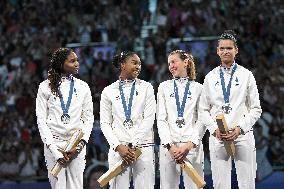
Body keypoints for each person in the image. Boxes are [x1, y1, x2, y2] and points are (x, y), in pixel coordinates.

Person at [199, 30, 262, 189]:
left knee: (247, 184)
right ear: (217, 51)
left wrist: (240, 129)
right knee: (220, 185)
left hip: (242, 135)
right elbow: (203, 110)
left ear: (236, 50)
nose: (225, 51)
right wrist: (214, 130)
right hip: (218, 137)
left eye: (229, 48)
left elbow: (256, 109)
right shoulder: (210, 77)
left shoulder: (246, 75)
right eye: (222, 48)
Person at [36, 48, 94, 189]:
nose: (77, 64)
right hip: (54, 144)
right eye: (72, 61)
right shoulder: (45, 87)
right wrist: (54, 151)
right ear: (61, 64)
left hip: (76, 145)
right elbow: (41, 120)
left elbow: (88, 118)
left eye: (77, 60)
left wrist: (80, 145)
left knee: (76, 186)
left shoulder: (83, 87)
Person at [100, 51, 156, 189]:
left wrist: (132, 144)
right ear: (123, 65)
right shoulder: (108, 91)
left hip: (143, 147)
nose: (138, 66)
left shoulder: (147, 87)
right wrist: (118, 147)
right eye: (134, 62)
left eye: (140, 64)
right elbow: (105, 123)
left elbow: (149, 119)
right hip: (119, 149)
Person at [157, 50, 204, 189]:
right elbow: (161, 119)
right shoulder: (163, 87)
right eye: (169, 63)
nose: (171, 66)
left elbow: (202, 120)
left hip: (191, 147)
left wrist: (189, 145)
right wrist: (169, 145)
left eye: (174, 61)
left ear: (185, 62)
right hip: (169, 147)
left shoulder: (199, 88)